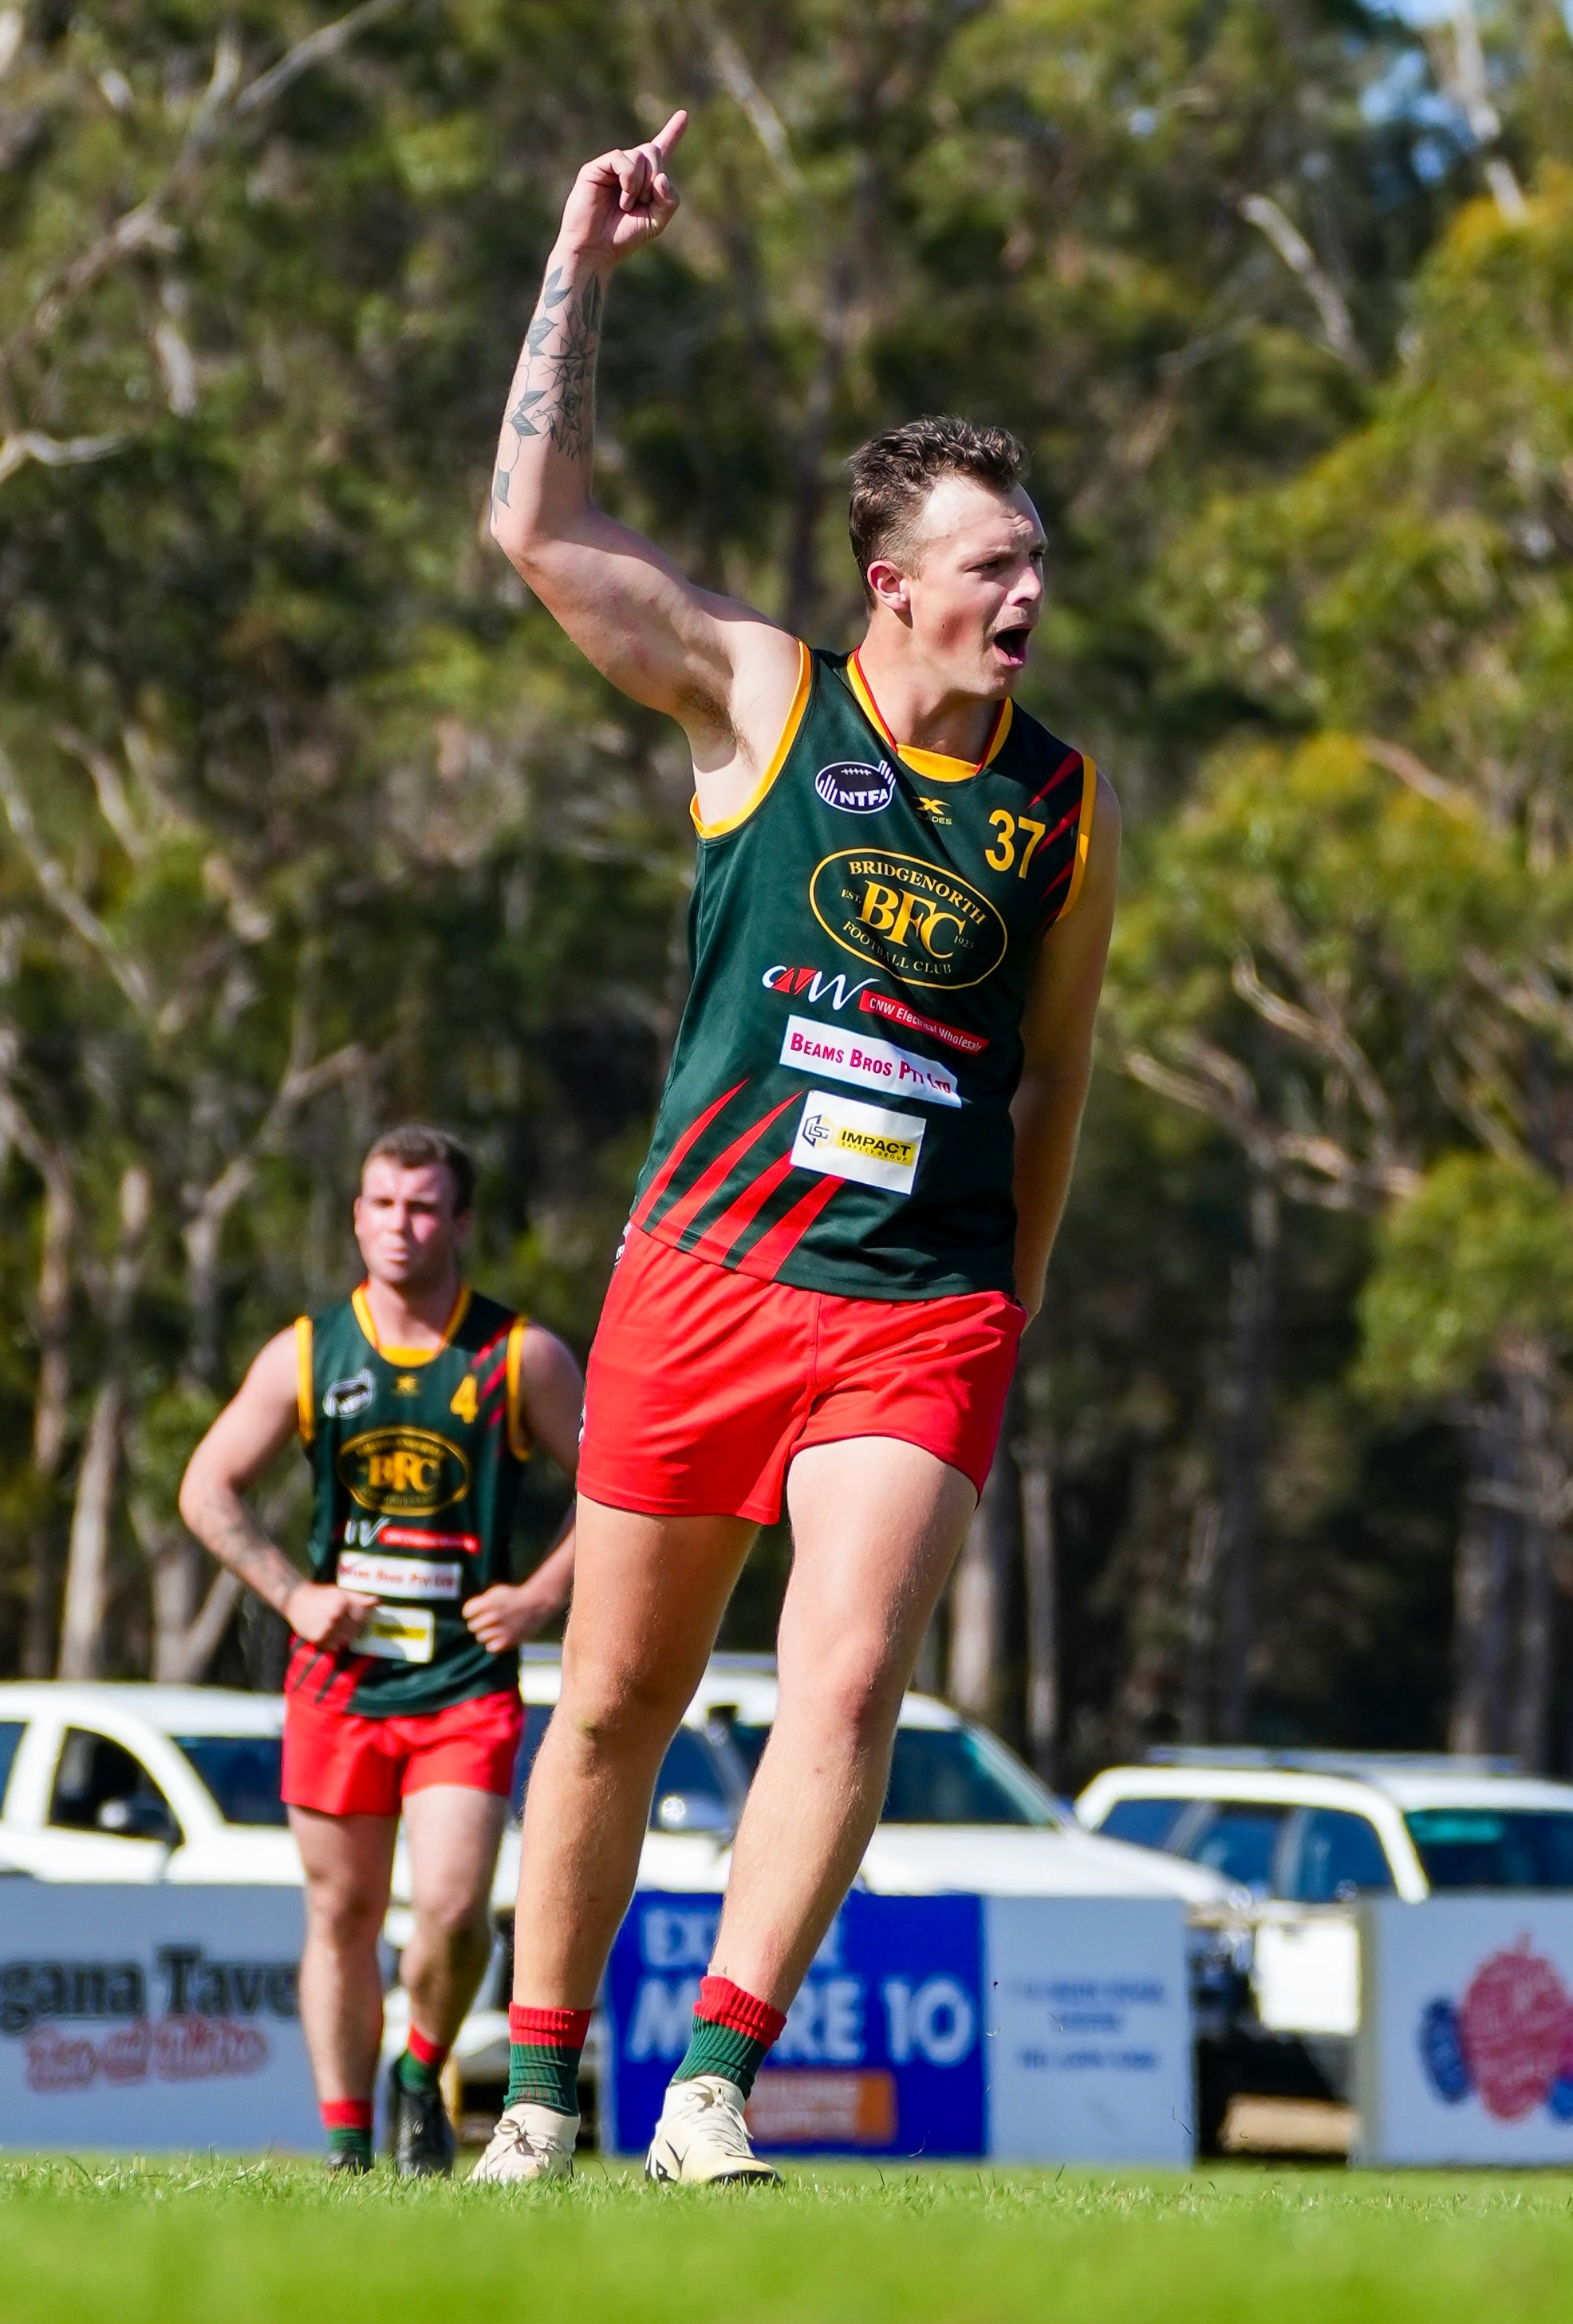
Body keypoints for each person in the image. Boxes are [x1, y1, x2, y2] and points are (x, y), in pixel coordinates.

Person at [471, 112, 1121, 2186]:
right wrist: (579, 263)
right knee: (613, 1702)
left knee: (843, 1690)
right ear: (892, 586)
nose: (1030, 593)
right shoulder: (765, 697)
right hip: (702, 1279)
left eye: (1038, 561)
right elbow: (536, 527)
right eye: (995, 564)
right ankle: (541, 2088)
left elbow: (1051, 1079)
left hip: (917, 1312)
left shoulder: (1063, 804)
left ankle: (712, 2087)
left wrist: (1002, 1298)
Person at [179, 1126, 582, 2176]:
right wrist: (292, 1593)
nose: (401, 1226)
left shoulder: (519, 1355)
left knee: (450, 1908)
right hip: (338, 1684)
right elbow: (206, 1487)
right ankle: (348, 2148)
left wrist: (541, 1593)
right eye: (382, 1204)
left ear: (460, 1222)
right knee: (342, 1911)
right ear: (356, 1217)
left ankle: (420, 2068)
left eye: (423, 1207)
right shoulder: (308, 1351)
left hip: (462, 1682)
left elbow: (621, 1487)